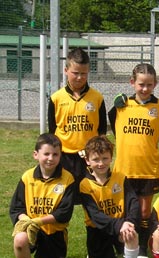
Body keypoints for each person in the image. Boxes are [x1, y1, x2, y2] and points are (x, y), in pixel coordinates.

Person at [108, 63, 159, 258]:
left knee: (144, 212)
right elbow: (114, 127)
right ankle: (121, 249)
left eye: (149, 85)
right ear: (132, 82)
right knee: (124, 211)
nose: (145, 89)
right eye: (141, 84)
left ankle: (143, 251)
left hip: (148, 169)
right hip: (123, 170)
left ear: (155, 84)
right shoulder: (121, 106)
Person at [10, 133, 75, 258]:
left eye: (55, 154)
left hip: (54, 233)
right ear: (36, 154)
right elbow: (16, 208)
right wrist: (27, 221)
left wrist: (38, 221)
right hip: (33, 228)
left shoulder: (68, 179)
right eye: (46, 154)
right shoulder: (27, 177)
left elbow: (64, 213)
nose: (50, 158)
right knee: (19, 239)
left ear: (60, 156)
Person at [79, 136, 140, 258]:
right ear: (87, 161)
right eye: (96, 159)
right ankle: (109, 256)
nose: (101, 163)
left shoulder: (120, 177)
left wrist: (130, 222)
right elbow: (95, 215)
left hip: (120, 226)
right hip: (97, 231)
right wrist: (120, 224)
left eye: (105, 158)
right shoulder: (85, 185)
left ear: (111, 158)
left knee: (131, 234)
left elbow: (133, 202)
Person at [48, 47, 107, 202]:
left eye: (84, 73)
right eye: (76, 73)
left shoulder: (97, 98)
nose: (80, 77)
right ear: (66, 70)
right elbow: (53, 130)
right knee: (62, 198)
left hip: (90, 157)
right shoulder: (56, 98)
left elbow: (101, 130)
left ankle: (95, 227)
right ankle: (59, 226)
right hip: (65, 157)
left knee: (93, 198)